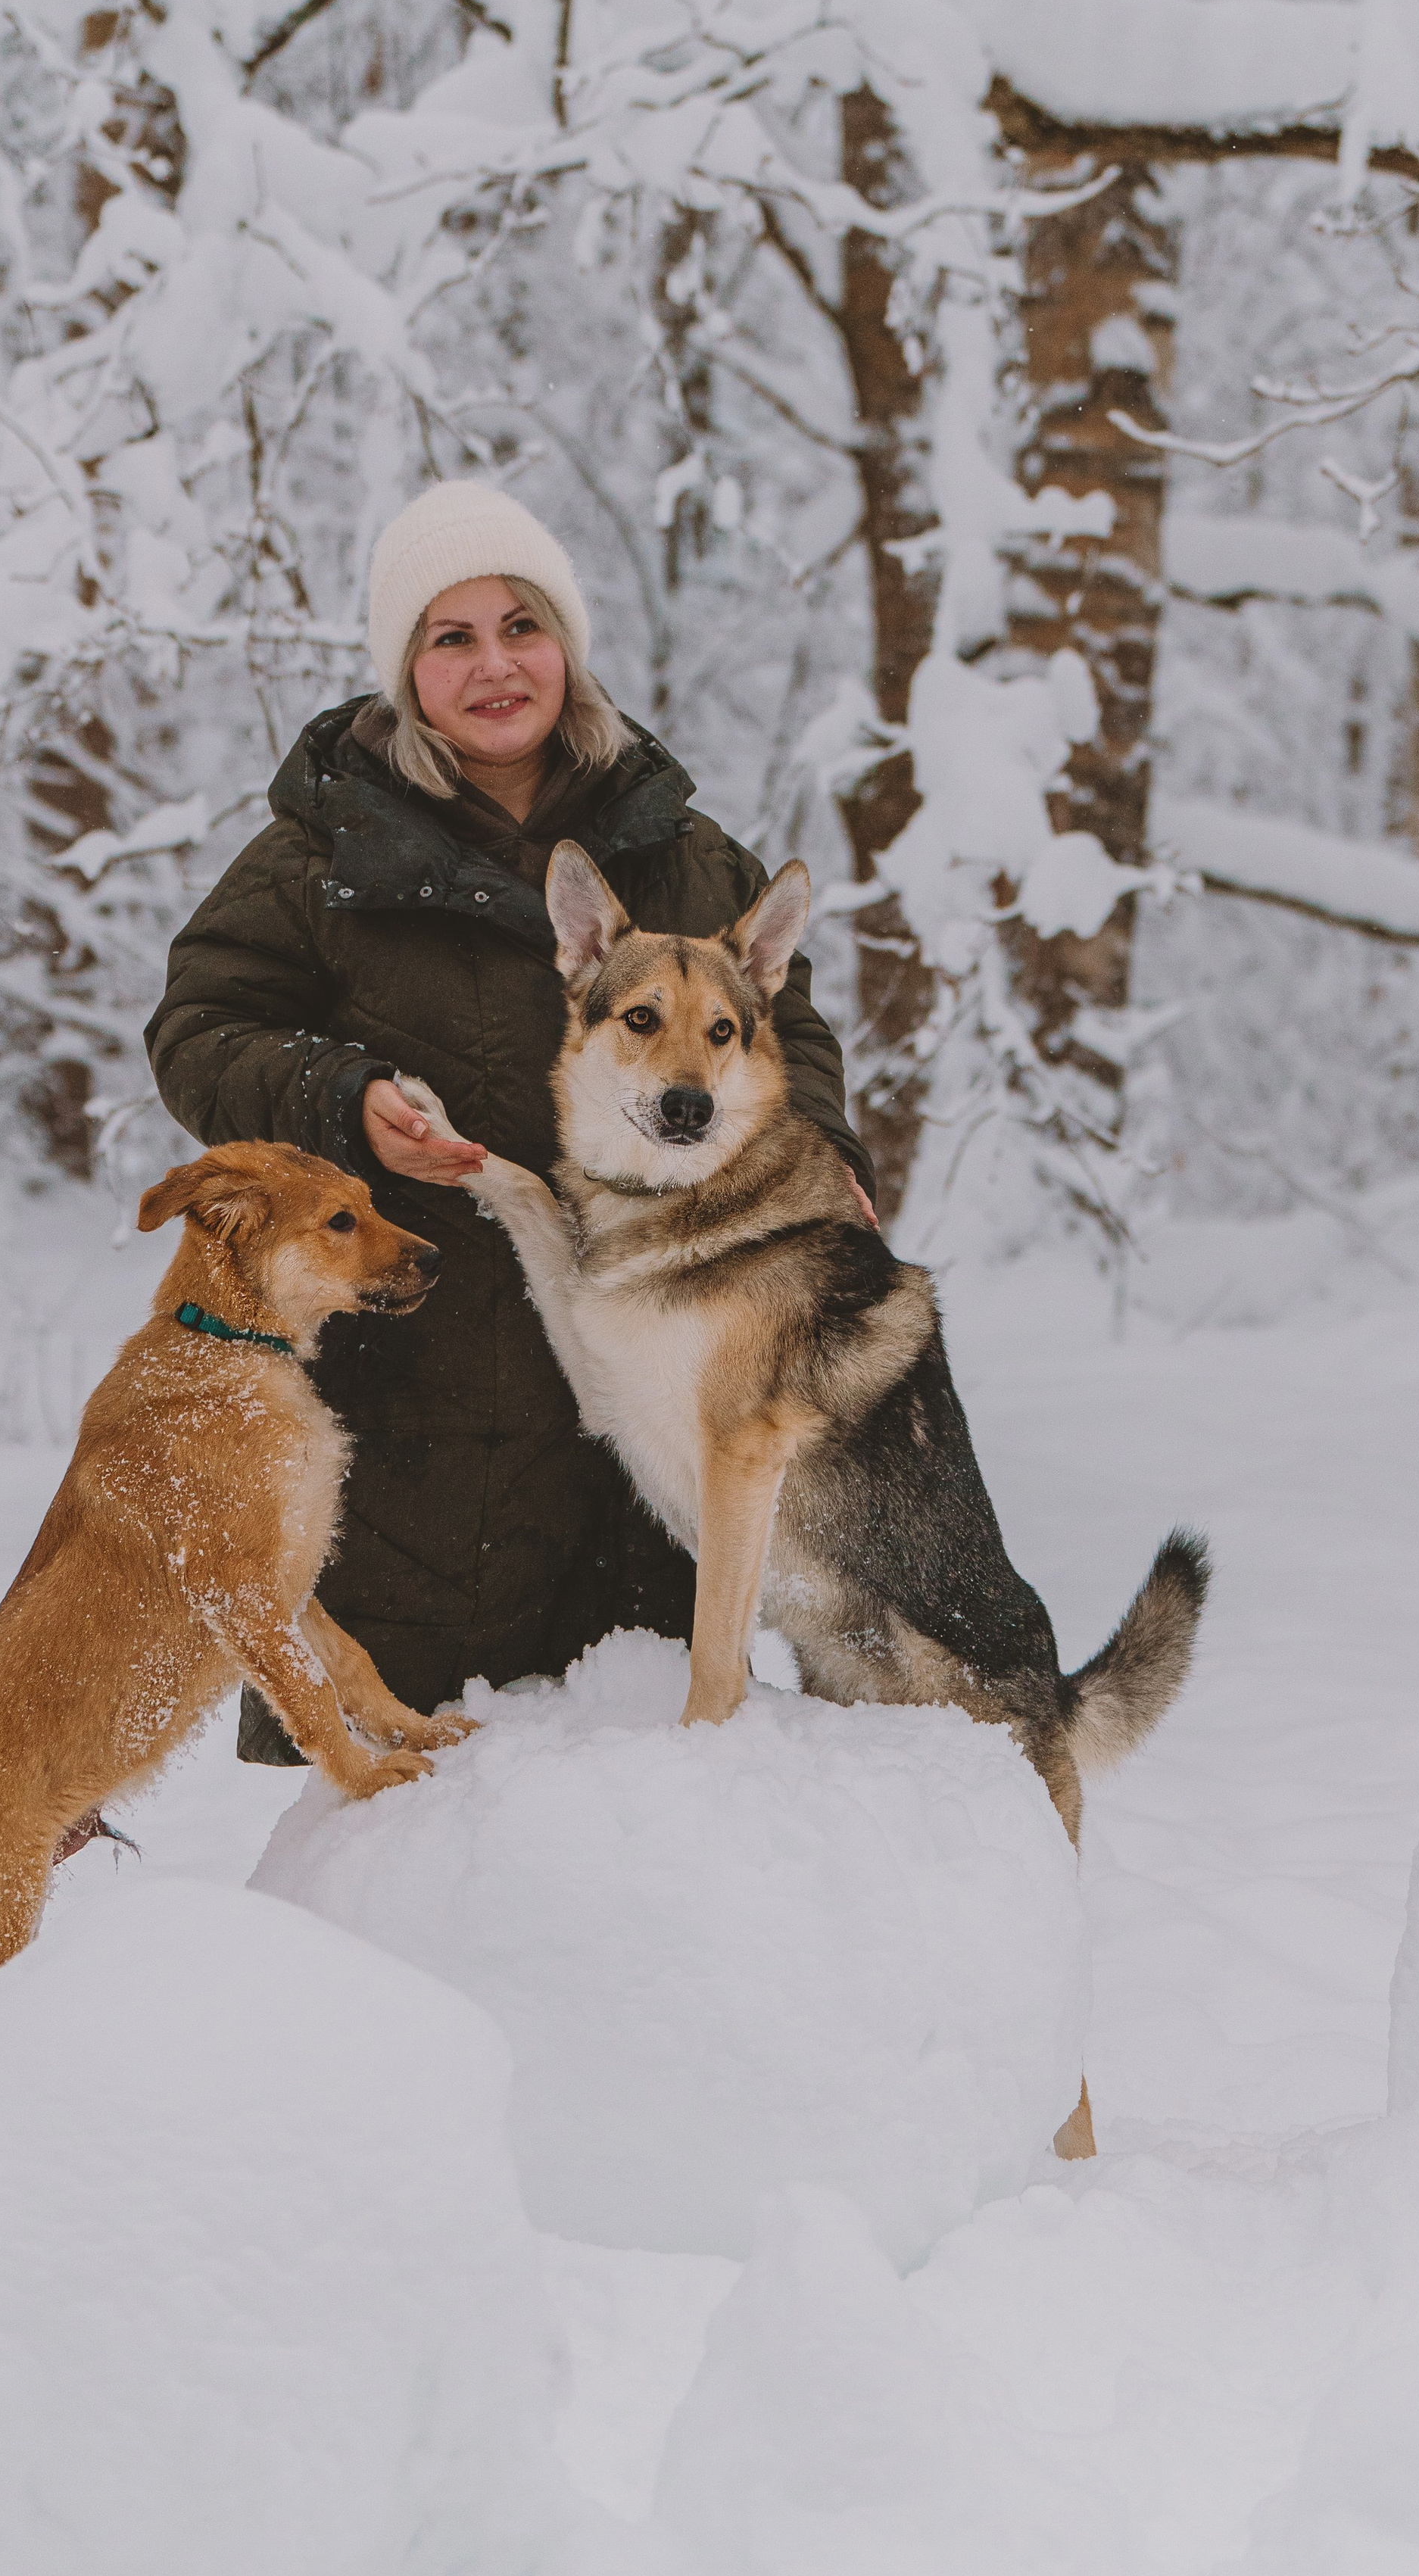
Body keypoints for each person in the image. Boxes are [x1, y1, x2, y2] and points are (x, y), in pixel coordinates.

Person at [145, 482, 877, 1763]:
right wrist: (341, 1097)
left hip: (635, 1427)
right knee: (399, 1834)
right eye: (451, 636)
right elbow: (200, 1030)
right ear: (406, 670)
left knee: (633, 1799)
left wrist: (826, 1162)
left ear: (568, 645)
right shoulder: (323, 851)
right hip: (413, 1406)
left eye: (522, 624)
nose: (495, 665)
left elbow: (786, 1034)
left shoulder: (682, 851)